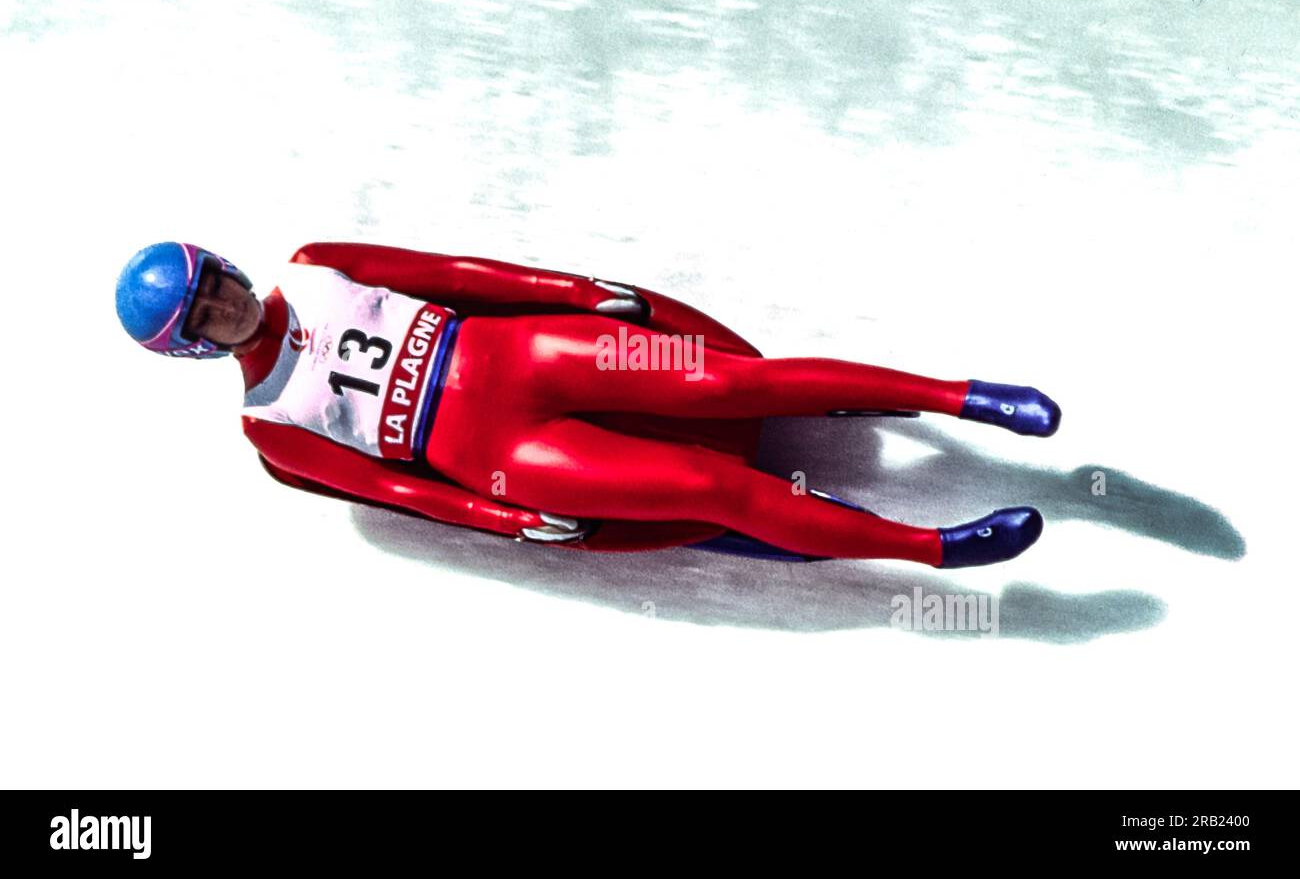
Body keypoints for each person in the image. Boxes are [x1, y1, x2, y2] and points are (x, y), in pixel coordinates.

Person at [114, 240, 1061, 567]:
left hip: (516, 354)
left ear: (222, 267)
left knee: (732, 381)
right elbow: (395, 492)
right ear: (195, 343)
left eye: (212, 284)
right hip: (497, 452)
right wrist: (505, 518)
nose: (225, 306)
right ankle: (937, 549)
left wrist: (571, 294)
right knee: (710, 488)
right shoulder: (271, 431)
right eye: (204, 314)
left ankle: (963, 395)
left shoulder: (316, 264)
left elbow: (450, 272)